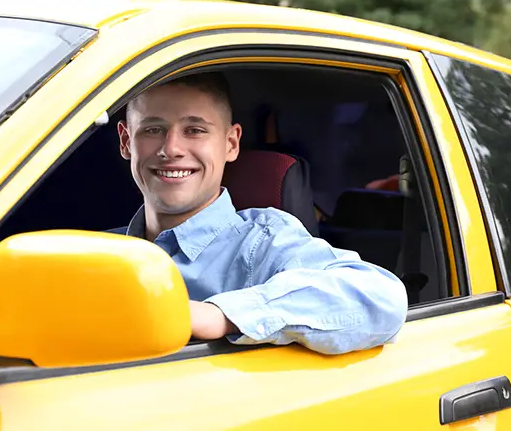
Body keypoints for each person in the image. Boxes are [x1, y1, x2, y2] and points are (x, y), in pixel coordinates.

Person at [116, 73, 407, 355]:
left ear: (231, 143)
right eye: (153, 129)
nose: (171, 149)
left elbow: (381, 299)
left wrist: (220, 315)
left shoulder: (263, 241)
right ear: (127, 142)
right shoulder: (101, 251)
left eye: (195, 130)